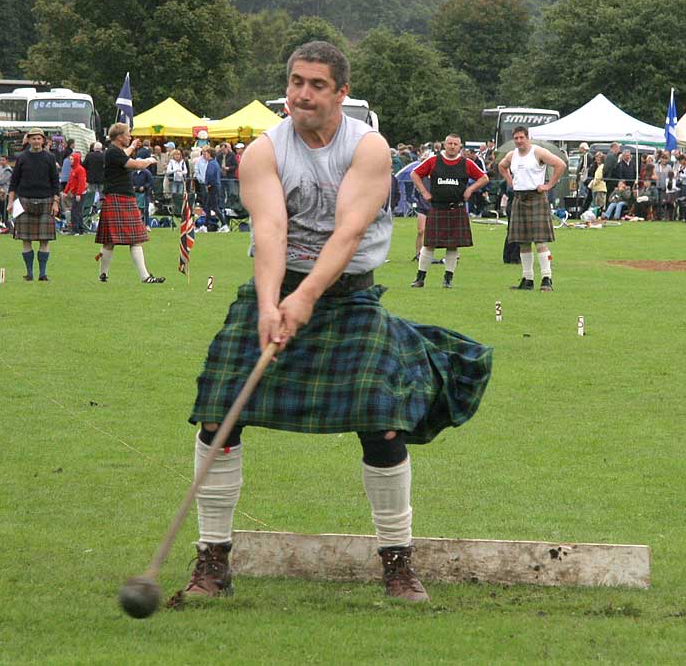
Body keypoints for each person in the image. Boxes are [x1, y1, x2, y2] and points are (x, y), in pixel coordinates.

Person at [171, 41, 492, 606]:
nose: (302, 94)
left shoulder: (368, 148)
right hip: (277, 286)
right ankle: (212, 561)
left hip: (349, 299)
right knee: (219, 414)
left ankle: (397, 564)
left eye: (317, 84)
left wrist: (308, 298)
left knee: (383, 419)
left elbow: (347, 234)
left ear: (341, 92)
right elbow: (269, 230)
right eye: (296, 82)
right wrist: (273, 304)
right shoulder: (262, 152)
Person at [409, 134, 488, 288]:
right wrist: (424, 192)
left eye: (455, 144)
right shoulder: (433, 161)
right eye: (450, 143)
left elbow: (484, 178)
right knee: (429, 244)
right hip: (437, 207)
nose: (452, 146)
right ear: (445, 145)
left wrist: (470, 189)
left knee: (453, 245)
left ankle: (448, 279)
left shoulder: (466, 163)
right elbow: (414, 174)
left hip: (456, 207)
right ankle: (420, 278)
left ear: (460, 146)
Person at [497, 126, 567, 292]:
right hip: (519, 198)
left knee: (540, 242)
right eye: (516, 138)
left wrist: (549, 185)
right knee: (523, 243)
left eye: (522, 137)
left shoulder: (538, 152)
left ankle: (546, 278)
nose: (519, 141)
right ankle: (527, 279)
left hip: (536, 196)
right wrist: (510, 181)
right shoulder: (511, 155)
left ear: (528, 137)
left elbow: (560, 164)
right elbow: (501, 166)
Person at [95, 123, 165, 284]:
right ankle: (144, 277)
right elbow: (135, 165)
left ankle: (104, 275)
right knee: (133, 239)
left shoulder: (113, 151)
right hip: (120, 198)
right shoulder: (114, 152)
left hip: (117, 197)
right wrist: (149, 159)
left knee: (111, 241)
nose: (130, 137)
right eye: (128, 135)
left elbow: (124, 154)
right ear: (119, 137)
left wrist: (132, 146)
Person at [7, 129, 60, 281]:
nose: (36, 141)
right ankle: (29, 273)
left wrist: (56, 203)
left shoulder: (50, 158)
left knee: (45, 240)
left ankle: (42, 274)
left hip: (46, 201)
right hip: (24, 201)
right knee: (26, 240)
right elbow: (14, 182)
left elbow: (55, 183)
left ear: (43, 141)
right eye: (33, 138)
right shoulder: (22, 158)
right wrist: (10, 202)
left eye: (39, 138)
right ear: (28, 140)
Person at [203, 147, 230, 232]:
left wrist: (208, 184)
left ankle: (224, 224)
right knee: (208, 207)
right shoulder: (214, 163)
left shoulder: (212, 163)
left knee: (214, 207)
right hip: (215, 186)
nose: (205, 155)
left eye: (206, 153)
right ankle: (205, 225)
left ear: (210, 154)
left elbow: (210, 174)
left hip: (213, 186)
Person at [63, 151, 87, 235]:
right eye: (70, 159)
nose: (70, 161)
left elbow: (81, 183)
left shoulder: (80, 170)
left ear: (76, 160)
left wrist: (78, 194)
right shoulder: (74, 169)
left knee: (75, 212)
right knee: (77, 211)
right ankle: (80, 229)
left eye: (72, 159)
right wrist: (65, 191)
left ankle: (76, 230)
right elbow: (70, 182)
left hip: (79, 194)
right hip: (75, 193)